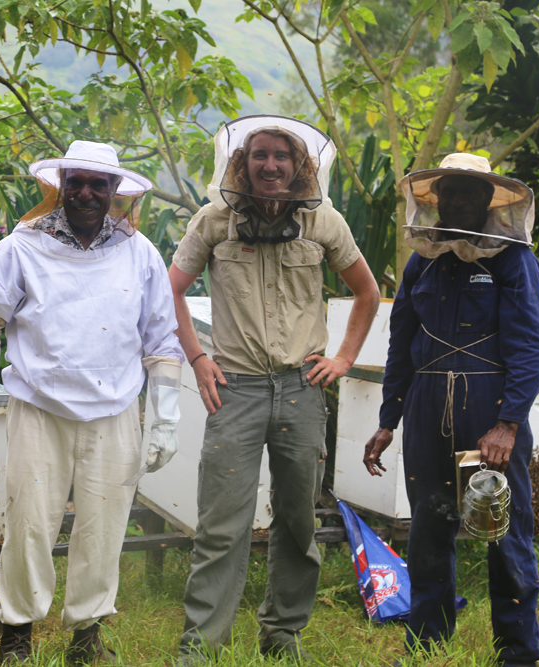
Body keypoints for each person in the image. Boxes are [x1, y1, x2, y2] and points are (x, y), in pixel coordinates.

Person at [0, 141, 185, 665]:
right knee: (30, 524)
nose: (86, 193)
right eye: (76, 183)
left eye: (97, 185)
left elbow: (162, 342)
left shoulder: (140, 253)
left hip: (116, 411)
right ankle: (17, 630)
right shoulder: (21, 247)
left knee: (103, 528)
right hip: (39, 406)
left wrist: (166, 421)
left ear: (113, 192)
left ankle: (87, 634)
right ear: (60, 186)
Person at [169, 115, 381, 663]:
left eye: (281, 157)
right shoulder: (214, 220)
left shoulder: (322, 221)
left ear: (299, 165)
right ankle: (201, 646)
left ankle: (282, 636)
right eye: (259, 155)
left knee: (296, 521)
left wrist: (344, 358)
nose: (270, 165)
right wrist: (197, 357)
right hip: (233, 389)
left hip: (300, 390)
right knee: (221, 524)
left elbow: (366, 292)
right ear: (241, 162)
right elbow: (165, 293)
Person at [362, 153, 539, 667]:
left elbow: (534, 347)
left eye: (471, 193)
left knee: (504, 530)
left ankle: (519, 652)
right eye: (451, 192)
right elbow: (401, 345)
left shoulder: (512, 260)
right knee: (428, 527)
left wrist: (508, 424)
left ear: (489, 201)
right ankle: (427, 643)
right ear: (436, 199)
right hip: (426, 409)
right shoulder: (421, 260)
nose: (460, 202)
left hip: (489, 409)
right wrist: (387, 421)